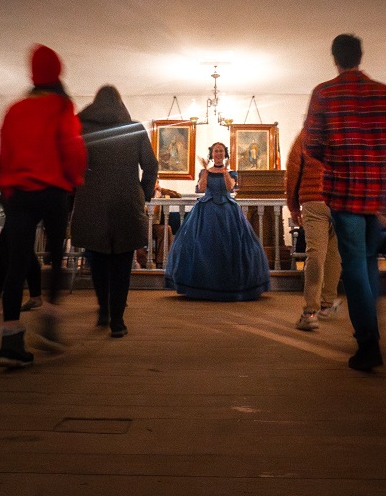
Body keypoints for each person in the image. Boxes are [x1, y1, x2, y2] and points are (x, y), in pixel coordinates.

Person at [305, 34, 386, 370]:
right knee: (369, 264)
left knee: (354, 267)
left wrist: (338, 158)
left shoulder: (324, 93)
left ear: (335, 58)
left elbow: (312, 145)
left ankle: (369, 344)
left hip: (344, 191)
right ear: (361, 55)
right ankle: (372, 336)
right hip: (378, 194)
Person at [0, 45, 87, 366]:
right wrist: (75, 178)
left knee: (16, 264)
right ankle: (49, 319)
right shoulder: (61, 106)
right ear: (57, 73)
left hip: (19, 194)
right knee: (56, 259)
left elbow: (3, 155)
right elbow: (72, 149)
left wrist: (8, 190)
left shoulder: (14, 109)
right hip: (53, 191)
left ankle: (10, 341)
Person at [70, 85, 158, 337]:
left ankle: (103, 309)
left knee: (96, 259)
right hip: (125, 202)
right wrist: (144, 192)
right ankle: (117, 321)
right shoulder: (134, 128)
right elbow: (151, 166)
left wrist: (77, 192)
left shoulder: (82, 129)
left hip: (91, 202)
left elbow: (73, 165)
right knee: (121, 262)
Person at [165, 142, 270, 301]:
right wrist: (206, 170)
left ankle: (229, 284)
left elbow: (229, 187)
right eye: (216, 151)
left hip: (228, 210)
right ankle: (202, 284)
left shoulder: (231, 173)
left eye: (221, 151)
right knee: (203, 244)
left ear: (224, 154)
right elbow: (201, 188)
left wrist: (225, 171)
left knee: (230, 245)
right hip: (207, 210)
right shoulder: (204, 171)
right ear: (212, 154)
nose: (219, 154)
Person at [286, 128, 342, 330]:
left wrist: (293, 206)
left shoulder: (307, 134)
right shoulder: (342, 129)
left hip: (314, 199)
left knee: (315, 254)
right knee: (335, 254)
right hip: (339, 201)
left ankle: (310, 312)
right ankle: (327, 304)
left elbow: (293, 169)